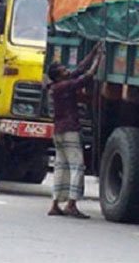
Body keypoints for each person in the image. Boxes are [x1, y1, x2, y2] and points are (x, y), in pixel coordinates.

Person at [46, 44, 102, 219]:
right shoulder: (63, 87)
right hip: (70, 130)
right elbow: (86, 77)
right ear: (58, 75)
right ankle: (71, 204)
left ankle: (55, 203)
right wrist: (99, 59)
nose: (66, 69)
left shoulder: (55, 87)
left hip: (59, 132)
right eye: (63, 69)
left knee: (61, 167)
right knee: (77, 166)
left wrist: (92, 52)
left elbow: (79, 69)